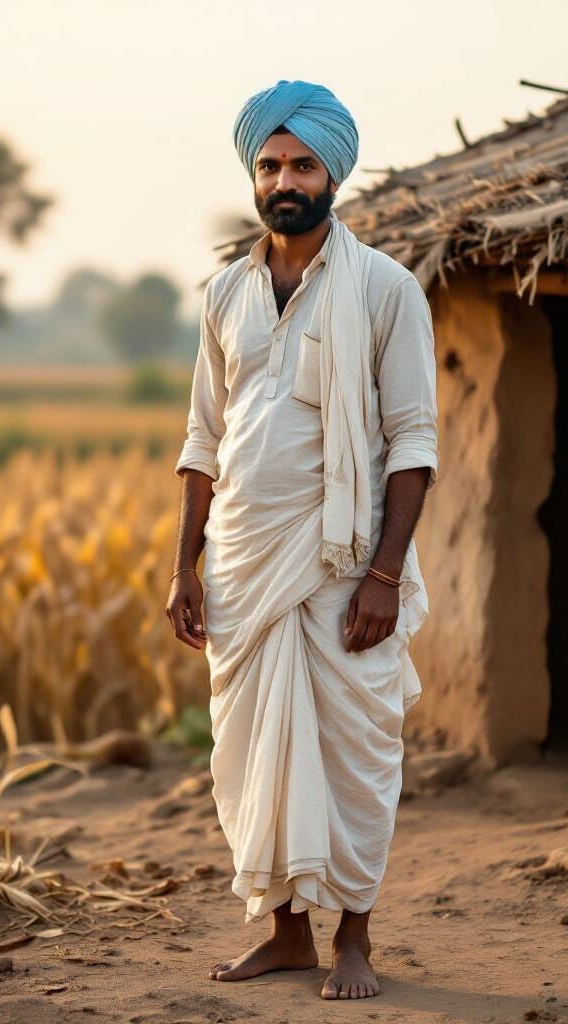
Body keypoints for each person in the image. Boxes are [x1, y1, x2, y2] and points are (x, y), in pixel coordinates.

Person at [166, 78, 439, 1001]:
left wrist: (384, 575)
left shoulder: (387, 289)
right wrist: (183, 568)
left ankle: (354, 937)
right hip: (242, 563)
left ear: (334, 175)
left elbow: (414, 441)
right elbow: (203, 440)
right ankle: (286, 934)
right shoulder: (224, 294)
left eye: (302, 164)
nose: (285, 179)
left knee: (357, 753)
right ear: (254, 176)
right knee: (253, 755)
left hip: (342, 564)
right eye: (269, 164)